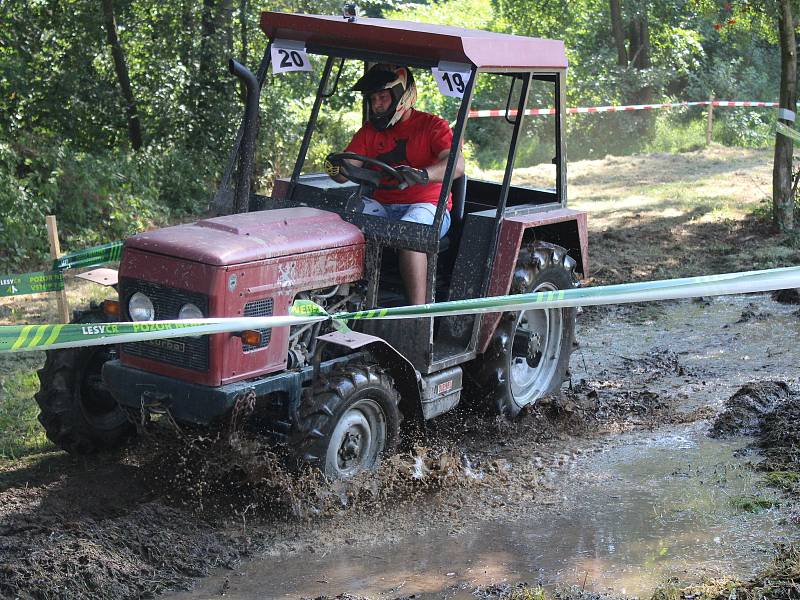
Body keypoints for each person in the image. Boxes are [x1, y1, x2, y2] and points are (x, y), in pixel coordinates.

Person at [325, 64, 464, 305]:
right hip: (384, 206)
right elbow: (344, 171)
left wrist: (422, 174)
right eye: (373, 99)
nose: (377, 104)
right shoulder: (369, 131)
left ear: (402, 96)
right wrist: (336, 167)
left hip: (428, 206)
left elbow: (457, 165)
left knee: (409, 233)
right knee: (342, 226)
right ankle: (340, 301)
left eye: (383, 97)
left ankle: (416, 313)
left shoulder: (433, 126)